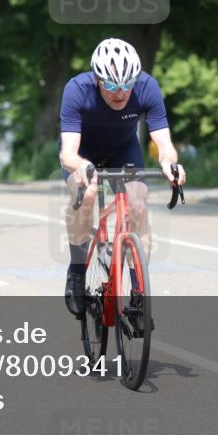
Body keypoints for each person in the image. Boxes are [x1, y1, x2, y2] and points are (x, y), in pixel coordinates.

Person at [59, 38, 186, 317]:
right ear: (96, 79)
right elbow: (67, 153)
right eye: (113, 86)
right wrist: (81, 167)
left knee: (139, 203)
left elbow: (164, 144)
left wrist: (170, 164)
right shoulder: (77, 90)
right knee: (88, 193)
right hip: (84, 155)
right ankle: (78, 270)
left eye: (127, 84)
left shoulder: (147, 87)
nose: (121, 93)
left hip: (123, 152)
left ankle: (139, 291)